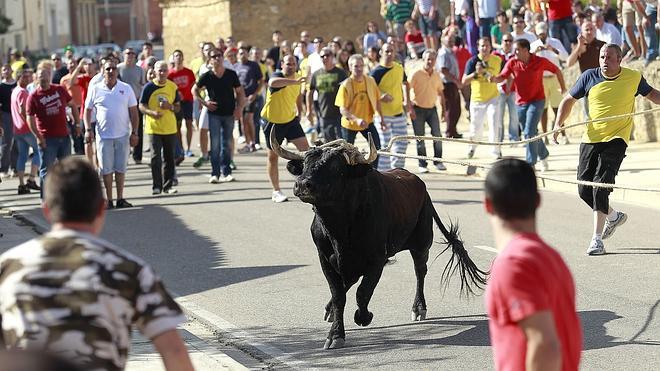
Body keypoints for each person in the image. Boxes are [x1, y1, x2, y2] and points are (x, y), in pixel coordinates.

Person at [0, 156, 194, 371]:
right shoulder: (128, 270)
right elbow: (174, 351)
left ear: (46, 210)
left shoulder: (8, 268)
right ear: (101, 208)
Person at [553, 43, 660, 255]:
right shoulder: (589, 77)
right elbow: (568, 100)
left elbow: (652, 94)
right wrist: (558, 124)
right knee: (584, 189)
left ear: (620, 60)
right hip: (591, 137)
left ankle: (596, 239)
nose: (604, 61)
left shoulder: (633, 78)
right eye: (602, 57)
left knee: (600, 185)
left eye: (609, 57)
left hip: (617, 138)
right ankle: (613, 216)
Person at [484, 158, 582, 371]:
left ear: (488, 205)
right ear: (538, 201)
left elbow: (545, 345)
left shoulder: (512, 264)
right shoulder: (552, 257)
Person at [491, 39, 566, 170]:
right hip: (520, 103)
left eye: (517, 49)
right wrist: (494, 79)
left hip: (537, 101)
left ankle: (530, 164)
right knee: (532, 132)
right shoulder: (512, 62)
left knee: (529, 131)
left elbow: (557, 70)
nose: (515, 52)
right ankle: (544, 155)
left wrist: (563, 87)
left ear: (526, 50)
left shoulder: (539, 61)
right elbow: (502, 76)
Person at [85, 60, 139, 209]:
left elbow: (134, 112)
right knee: (106, 170)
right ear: (103, 72)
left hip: (122, 135)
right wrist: (87, 129)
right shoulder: (96, 89)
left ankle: (120, 198)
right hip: (104, 136)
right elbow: (87, 110)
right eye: (107, 69)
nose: (111, 71)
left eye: (113, 69)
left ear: (117, 71)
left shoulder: (126, 88)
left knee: (120, 168)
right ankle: (108, 200)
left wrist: (134, 132)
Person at [261, 55, 310, 203]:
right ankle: (276, 191)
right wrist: (294, 81)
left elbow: (298, 97)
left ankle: (307, 184)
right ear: (282, 65)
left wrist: (300, 113)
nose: (291, 66)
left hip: (290, 120)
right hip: (273, 122)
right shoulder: (278, 76)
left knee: (307, 152)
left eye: (293, 64)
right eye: (288, 64)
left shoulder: (298, 78)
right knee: (273, 157)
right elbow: (273, 82)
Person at [192, 50, 245, 184]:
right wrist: (204, 102)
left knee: (226, 144)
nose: (217, 58)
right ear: (210, 61)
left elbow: (239, 92)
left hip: (229, 113)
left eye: (219, 56)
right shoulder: (207, 76)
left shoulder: (231, 74)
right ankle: (215, 173)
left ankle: (226, 172)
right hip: (214, 114)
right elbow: (194, 89)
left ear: (223, 58)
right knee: (215, 145)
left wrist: (239, 108)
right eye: (213, 57)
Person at [26, 61, 79, 193]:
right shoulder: (33, 96)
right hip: (47, 139)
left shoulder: (59, 89)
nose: (43, 78)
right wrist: (38, 137)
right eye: (40, 76)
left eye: (46, 75)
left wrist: (77, 124)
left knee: (66, 169)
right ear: (36, 78)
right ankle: (47, 199)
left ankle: (66, 197)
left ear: (50, 76)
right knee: (46, 170)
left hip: (64, 136)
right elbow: (30, 118)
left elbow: (72, 105)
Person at [139, 61, 181, 195]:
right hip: (153, 128)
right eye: (159, 70)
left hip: (170, 128)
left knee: (169, 158)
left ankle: (167, 186)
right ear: (154, 72)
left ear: (168, 72)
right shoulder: (148, 87)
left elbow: (178, 107)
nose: (162, 73)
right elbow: (141, 106)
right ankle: (156, 186)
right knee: (155, 158)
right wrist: (152, 113)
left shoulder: (172, 87)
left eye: (164, 70)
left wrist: (170, 107)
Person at [335, 54, 384, 167]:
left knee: (376, 147)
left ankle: (373, 171)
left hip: (367, 122)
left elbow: (377, 100)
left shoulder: (370, 81)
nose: (359, 69)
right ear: (350, 67)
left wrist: (381, 119)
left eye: (361, 66)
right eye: (356, 66)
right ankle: (347, 175)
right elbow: (342, 109)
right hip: (350, 124)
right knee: (346, 154)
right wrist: (356, 119)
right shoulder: (346, 85)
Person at [371, 43, 412, 170]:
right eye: (386, 51)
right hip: (382, 115)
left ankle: (396, 171)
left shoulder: (399, 68)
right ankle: (384, 173)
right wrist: (381, 95)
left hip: (399, 113)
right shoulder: (376, 72)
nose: (389, 54)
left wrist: (408, 101)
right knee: (384, 145)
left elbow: (405, 83)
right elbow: (370, 90)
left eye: (391, 51)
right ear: (381, 53)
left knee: (402, 143)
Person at [462, 37, 503, 160]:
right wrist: (476, 73)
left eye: (486, 45)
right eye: (482, 46)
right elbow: (464, 81)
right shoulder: (472, 61)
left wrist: (498, 80)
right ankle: (472, 147)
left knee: (494, 123)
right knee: (476, 127)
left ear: (490, 47)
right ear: (478, 47)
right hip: (477, 99)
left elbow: (504, 75)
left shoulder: (497, 60)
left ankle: (496, 151)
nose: (484, 48)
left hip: (493, 98)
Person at [530, 22, 569, 144]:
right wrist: (535, 52)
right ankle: (546, 135)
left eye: (543, 32)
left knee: (558, 108)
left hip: (554, 78)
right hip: (541, 79)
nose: (542, 35)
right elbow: (528, 61)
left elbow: (565, 57)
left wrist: (553, 50)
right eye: (540, 33)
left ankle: (563, 135)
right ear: (537, 33)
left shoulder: (555, 42)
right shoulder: (533, 45)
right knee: (543, 108)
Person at [408, 49, 446, 173]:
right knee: (420, 138)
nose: (430, 61)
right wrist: (409, 108)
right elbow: (406, 89)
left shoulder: (436, 75)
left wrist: (444, 110)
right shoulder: (416, 74)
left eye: (433, 59)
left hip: (432, 109)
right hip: (417, 109)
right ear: (423, 60)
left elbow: (440, 93)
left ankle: (438, 161)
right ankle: (422, 163)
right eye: (428, 59)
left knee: (437, 136)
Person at [306, 47, 348, 141]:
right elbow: (310, 92)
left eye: (327, 55)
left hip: (339, 113)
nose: (325, 57)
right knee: (328, 141)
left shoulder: (341, 73)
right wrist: (309, 110)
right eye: (322, 56)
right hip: (324, 113)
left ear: (332, 56)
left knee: (341, 141)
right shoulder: (316, 74)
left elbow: (348, 91)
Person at [10, 67, 40, 194]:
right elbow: (24, 111)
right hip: (26, 128)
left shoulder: (15, 90)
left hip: (17, 129)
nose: (28, 78)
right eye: (25, 76)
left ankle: (21, 184)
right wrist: (32, 124)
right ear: (19, 78)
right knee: (39, 150)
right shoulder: (22, 92)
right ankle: (32, 179)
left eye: (28, 76)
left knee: (22, 155)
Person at [118, 48, 147, 164]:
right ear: (123, 55)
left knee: (137, 128)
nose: (130, 55)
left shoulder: (140, 70)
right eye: (127, 53)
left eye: (132, 53)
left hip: (136, 101)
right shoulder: (119, 68)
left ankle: (137, 155)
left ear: (135, 56)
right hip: (122, 102)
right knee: (123, 128)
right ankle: (125, 153)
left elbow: (143, 84)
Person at [167, 49, 196, 157]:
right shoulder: (170, 74)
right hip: (176, 103)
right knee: (177, 126)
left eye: (180, 55)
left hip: (188, 101)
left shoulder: (188, 72)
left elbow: (194, 84)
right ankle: (181, 149)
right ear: (173, 59)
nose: (178, 58)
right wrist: (177, 94)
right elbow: (168, 88)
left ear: (183, 58)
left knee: (189, 124)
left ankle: (188, 148)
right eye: (176, 56)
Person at [235, 47, 264, 153]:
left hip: (251, 97)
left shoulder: (254, 65)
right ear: (238, 55)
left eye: (245, 53)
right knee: (243, 121)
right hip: (240, 98)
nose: (243, 55)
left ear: (248, 54)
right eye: (241, 53)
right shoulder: (235, 66)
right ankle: (248, 144)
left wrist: (255, 94)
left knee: (249, 119)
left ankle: (253, 142)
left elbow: (261, 81)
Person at [436, 32, 463, 138]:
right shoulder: (443, 53)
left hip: (452, 83)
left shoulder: (451, 52)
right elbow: (443, 69)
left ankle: (453, 130)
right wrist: (456, 80)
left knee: (456, 109)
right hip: (447, 83)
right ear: (443, 40)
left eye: (452, 40)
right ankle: (449, 131)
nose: (451, 42)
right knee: (451, 109)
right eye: (449, 40)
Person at [494, 34, 520, 142]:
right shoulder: (495, 55)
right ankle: (499, 139)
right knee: (499, 117)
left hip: (513, 89)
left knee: (514, 116)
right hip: (499, 89)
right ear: (502, 41)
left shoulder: (516, 56)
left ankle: (514, 138)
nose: (508, 43)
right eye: (505, 41)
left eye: (510, 41)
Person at [0, 64, 16, 177]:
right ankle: (3, 169)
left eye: (7, 69)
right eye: (4, 70)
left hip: (17, 115)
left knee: (17, 142)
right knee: (6, 142)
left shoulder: (16, 84)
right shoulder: (1, 86)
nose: (6, 71)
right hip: (5, 115)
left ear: (11, 71)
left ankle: (14, 168)